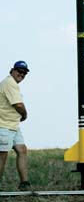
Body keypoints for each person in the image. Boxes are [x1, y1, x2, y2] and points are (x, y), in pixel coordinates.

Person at [0, 61, 31, 191]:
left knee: (22, 149)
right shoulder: (9, 83)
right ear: (12, 70)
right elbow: (18, 105)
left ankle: (24, 183)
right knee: (2, 155)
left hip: (13, 125)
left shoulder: (13, 84)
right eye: (19, 71)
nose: (21, 74)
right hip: (4, 125)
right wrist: (24, 115)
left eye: (24, 73)